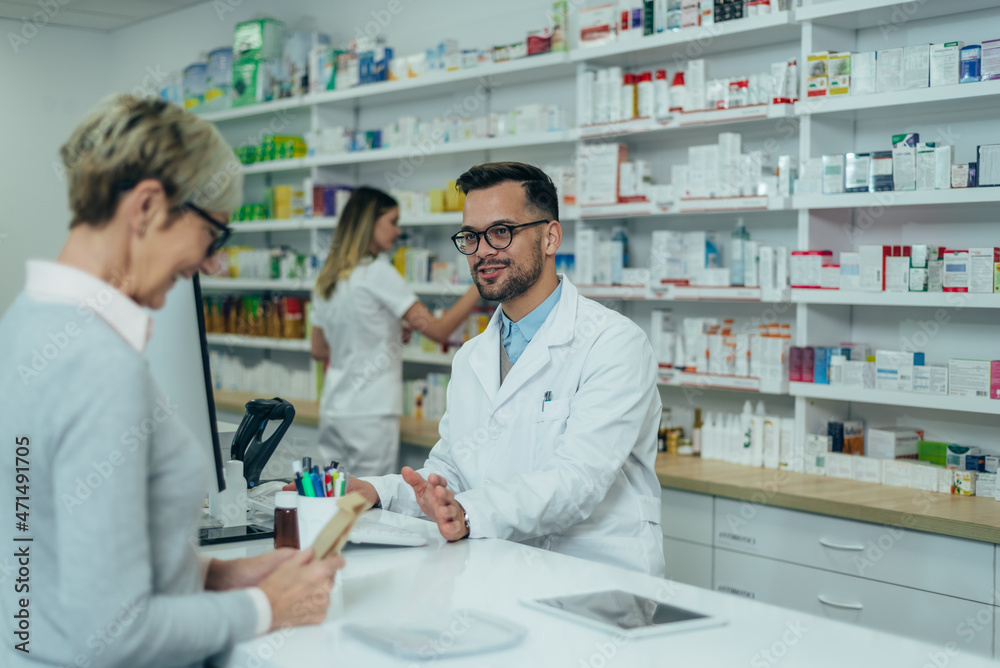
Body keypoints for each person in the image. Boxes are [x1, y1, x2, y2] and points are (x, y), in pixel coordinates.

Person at [0, 95, 343, 668]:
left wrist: (217, 577)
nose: (213, 265)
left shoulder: (25, 324)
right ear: (148, 206)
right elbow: (113, 634)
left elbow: (51, 558)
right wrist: (267, 607)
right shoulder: (97, 363)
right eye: (214, 235)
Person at [351, 162, 665, 576]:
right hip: (496, 569)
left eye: (501, 232)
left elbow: (577, 481)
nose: (482, 251)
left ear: (550, 236)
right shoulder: (472, 357)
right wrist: (379, 490)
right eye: (470, 236)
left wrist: (468, 512)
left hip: (594, 578)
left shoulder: (612, 343)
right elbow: (450, 474)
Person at [310, 187, 479, 477]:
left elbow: (320, 349)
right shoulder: (377, 272)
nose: (398, 231)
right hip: (369, 414)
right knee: (366, 503)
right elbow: (439, 331)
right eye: (393, 221)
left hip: (334, 409)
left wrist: (380, 336)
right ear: (370, 224)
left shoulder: (328, 277)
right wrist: (481, 282)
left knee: (331, 496)